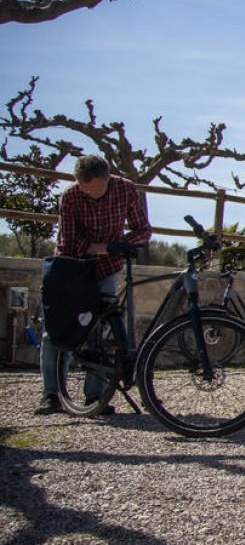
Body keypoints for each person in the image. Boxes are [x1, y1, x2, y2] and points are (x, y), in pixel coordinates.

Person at [35, 155, 152, 415]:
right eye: (85, 189)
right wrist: (100, 248)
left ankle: (96, 396)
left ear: (108, 179)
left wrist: (118, 245)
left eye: (96, 189)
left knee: (102, 330)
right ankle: (51, 394)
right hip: (72, 267)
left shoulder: (126, 189)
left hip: (107, 269)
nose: (91, 195)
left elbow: (143, 229)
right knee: (56, 328)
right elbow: (68, 241)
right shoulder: (70, 196)